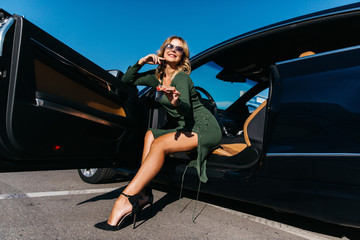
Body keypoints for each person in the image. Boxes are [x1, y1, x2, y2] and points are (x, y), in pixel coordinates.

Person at [95, 36, 222, 231]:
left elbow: (186, 108)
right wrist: (141, 62)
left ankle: (125, 199)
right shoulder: (156, 77)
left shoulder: (182, 78)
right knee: (150, 135)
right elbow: (128, 81)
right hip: (186, 127)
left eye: (179, 49)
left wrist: (176, 102)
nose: (173, 50)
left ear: (182, 57)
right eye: (169, 46)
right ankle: (144, 193)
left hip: (203, 126)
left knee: (160, 144)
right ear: (162, 50)